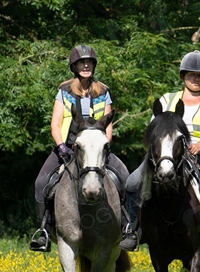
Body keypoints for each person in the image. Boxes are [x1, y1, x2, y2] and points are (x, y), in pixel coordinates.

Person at [119, 50, 200, 251]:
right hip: (166, 154)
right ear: (182, 77)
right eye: (191, 74)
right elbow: (153, 130)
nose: (196, 78)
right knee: (133, 182)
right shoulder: (166, 100)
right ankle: (132, 230)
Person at [30, 44, 130, 252]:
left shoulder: (103, 91)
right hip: (68, 147)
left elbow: (108, 124)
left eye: (89, 62)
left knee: (126, 178)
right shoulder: (64, 91)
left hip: (97, 149)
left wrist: (104, 146)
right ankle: (44, 231)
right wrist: (61, 146)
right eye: (81, 62)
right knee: (41, 182)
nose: (86, 65)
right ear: (74, 66)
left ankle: (128, 228)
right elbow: (55, 124)